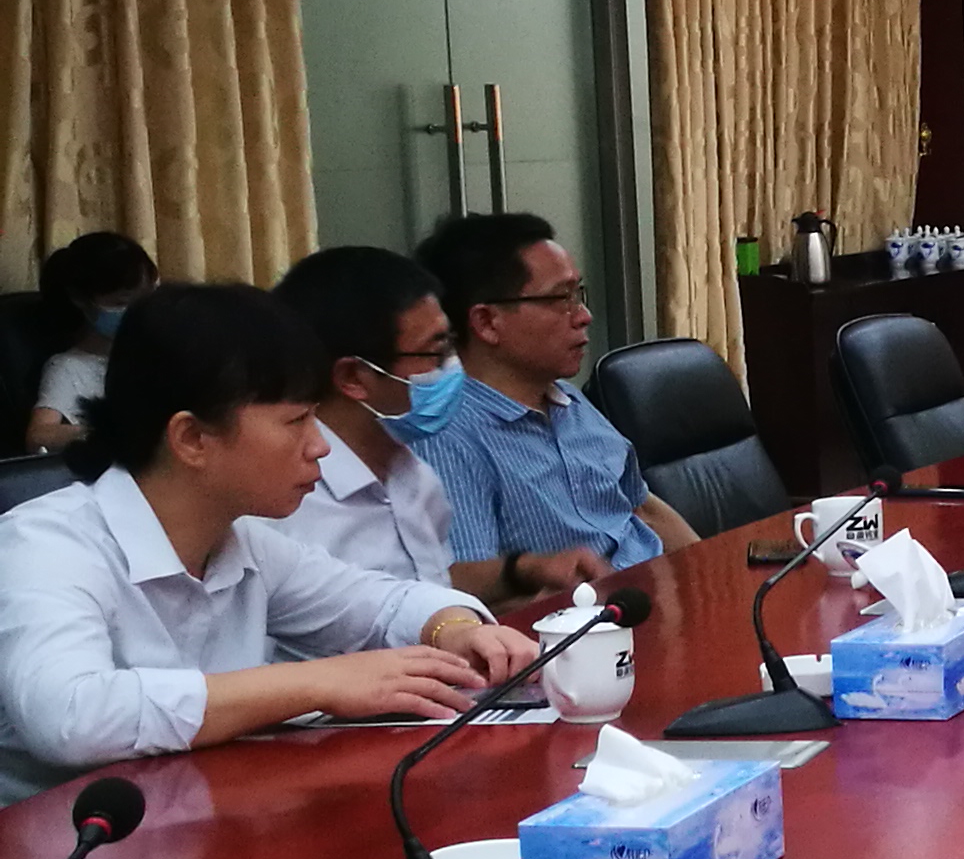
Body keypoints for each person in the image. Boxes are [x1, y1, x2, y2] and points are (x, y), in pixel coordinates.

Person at [0, 284, 536, 804]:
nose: (320, 446)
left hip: (206, 816)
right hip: (62, 846)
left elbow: (381, 603)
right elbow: (70, 717)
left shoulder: (243, 542)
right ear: (192, 438)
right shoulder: (46, 544)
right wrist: (315, 682)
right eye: (296, 420)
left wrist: (454, 628)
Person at [273, 244, 612, 612]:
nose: (453, 369)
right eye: (435, 354)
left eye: (450, 347)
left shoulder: (410, 471)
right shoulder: (289, 509)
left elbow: (433, 588)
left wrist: (522, 571)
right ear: (354, 377)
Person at [408, 212, 696, 575]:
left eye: (579, 294)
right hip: (596, 606)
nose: (584, 316)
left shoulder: (568, 399)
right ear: (487, 322)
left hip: (663, 585)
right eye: (562, 298)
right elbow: (472, 587)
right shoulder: (447, 436)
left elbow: (643, 509)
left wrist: (717, 575)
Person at [23, 229, 159, 450]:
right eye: (121, 302)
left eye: (144, 300)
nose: (136, 312)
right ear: (80, 300)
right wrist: (109, 433)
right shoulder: (69, 368)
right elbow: (38, 436)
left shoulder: (154, 354)